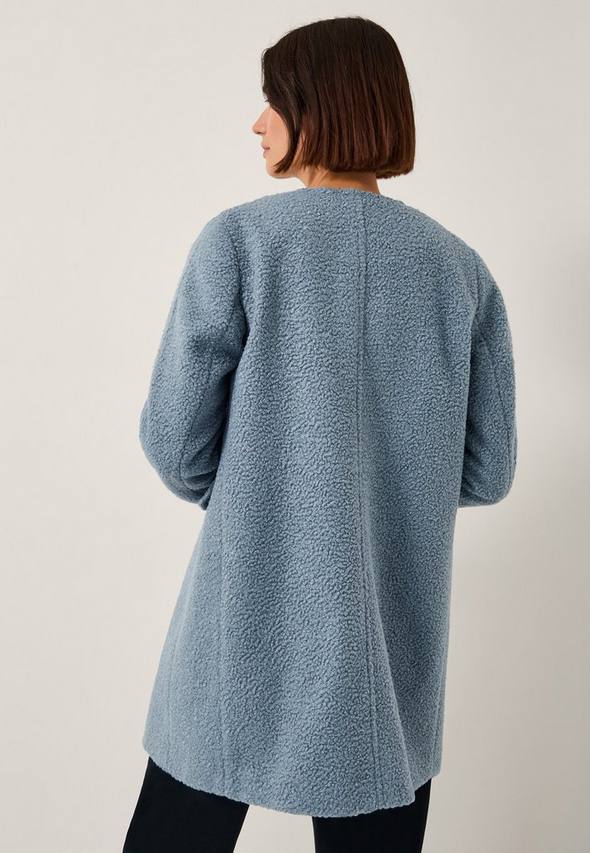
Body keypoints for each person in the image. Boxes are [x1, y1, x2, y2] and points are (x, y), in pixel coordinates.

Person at [123, 14, 517, 853]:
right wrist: (389, 487)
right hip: (389, 649)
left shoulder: (240, 243)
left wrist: (259, 487)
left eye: (273, 100)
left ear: (320, 106)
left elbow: (174, 441)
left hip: (241, 622)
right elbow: (488, 471)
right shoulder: (461, 273)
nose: (257, 121)